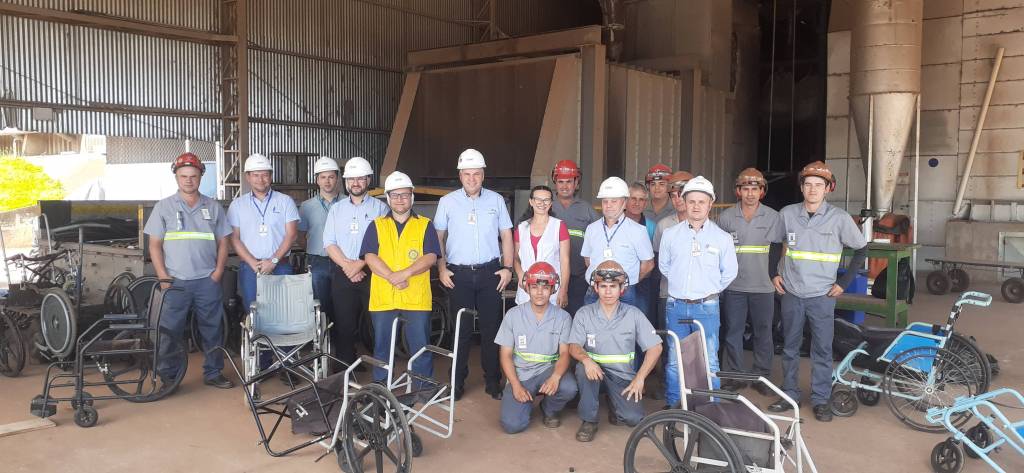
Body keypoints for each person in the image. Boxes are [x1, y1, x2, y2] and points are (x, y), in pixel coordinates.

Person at [768, 161, 867, 422]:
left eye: (818, 185)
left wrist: (844, 283)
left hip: (822, 295)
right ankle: (790, 394)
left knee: (822, 349)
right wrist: (773, 274)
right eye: (808, 184)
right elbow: (775, 244)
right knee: (789, 347)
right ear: (801, 188)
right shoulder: (787, 214)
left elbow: (861, 250)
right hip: (792, 292)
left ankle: (821, 399)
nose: (813, 189)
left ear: (828, 189)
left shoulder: (840, 218)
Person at [144, 152, 233, 389]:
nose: (188, 180)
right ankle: (168, 377)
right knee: (169, 331)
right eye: (183, 176)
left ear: (201, 176)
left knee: (213, 329)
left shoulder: (213, 207)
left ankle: (213, 372)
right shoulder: (164, 207)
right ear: (176, 177)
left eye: (193, 176)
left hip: (207, 280)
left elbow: (224, 242)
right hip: (175, 281)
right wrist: (163, 277)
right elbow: (154, 245)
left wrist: (218, 272)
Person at [435, 148, 515, 400]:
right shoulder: (447, 202)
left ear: (483, 175)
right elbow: (438, 237)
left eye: (476, 174)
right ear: (460, 175)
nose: (472, 178)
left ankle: (493, 381)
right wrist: (441, 268)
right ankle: (456, 383)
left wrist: (508, 268)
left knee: (492, 330)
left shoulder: (496, 201)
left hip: (490, 273)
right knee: (461, 331)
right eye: (467, 174)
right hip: (458, 275)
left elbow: (507, 235)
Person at [658, 176, 737, 406]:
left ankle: (711, 407)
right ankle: (675, 405)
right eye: (691, 201)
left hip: (707, 307)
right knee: (675, 359)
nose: (696, 206)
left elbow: (730, 271)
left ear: (710, 204)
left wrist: (709, 289)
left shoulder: (722, 238)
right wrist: (682, 286)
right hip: (676, 306)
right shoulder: (670, 235)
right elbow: (664, 266)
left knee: (709, 360)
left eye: (701, 202)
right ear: (684, 202)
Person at [360, 172, 441, 385]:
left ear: (412, 197)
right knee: (382, 346)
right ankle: (381, 386)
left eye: (404, 195)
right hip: (384, 297)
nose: (400, 199)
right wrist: (391, 277)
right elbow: (370, 256)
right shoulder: (376, 225)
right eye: (395, 195)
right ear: (388, 198)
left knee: (420, 346)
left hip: (415, 297)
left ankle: (422, 388)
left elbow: (431, 257)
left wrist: (404, 274)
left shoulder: (425, 225)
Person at [569, 260, 663, 442]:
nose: (608, 291)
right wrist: (587, 361)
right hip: (594, 373)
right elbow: (574, 346)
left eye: (613, 286)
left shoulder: (634, 314)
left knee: (633, 418)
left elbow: (655, 347)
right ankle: (589, 420)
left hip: (622, 376)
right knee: (582, 369)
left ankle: (614, 403)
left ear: (622, 288)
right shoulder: (584, 313)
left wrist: (640, 378)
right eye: (603, 286)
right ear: (596, 288)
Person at [716, 168, 784, 395]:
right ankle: (735, 376)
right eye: (746, 189)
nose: (750, 194)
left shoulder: (773, 217)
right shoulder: (726, 218)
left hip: (763, 287)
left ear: (762, 191)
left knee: (763, 332)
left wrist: (775, 274)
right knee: (732, 332)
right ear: (738, 191)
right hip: (733, 287)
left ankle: (761, 376)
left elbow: (779, 247)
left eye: (755, 189)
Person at [495, 262, 577, 434]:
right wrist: (516, 385)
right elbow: (505, 355)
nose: (540, 292)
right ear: (527, 288)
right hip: (521, 374)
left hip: (548, 370)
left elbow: (564, 354)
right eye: (534, 287)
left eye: (545, 287)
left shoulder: (563, 317)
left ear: (553, 289)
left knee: (569, 387)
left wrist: (555, 377)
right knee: (512, 425)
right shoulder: (513, 315)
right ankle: (524, 401)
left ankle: (548, 408)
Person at [323, 157, 389, 366]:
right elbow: (329, 243)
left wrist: (359, 265)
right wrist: (347, 266)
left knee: (376, 323)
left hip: (373, 273)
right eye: (351, 179)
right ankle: (345, 367)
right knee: (344, 324)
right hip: (343, 273)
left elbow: (385, 245)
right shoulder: (337, 209)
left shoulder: (381, 209)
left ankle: (380, 370)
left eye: (360, 178)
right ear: (345, 182)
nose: (356, 183)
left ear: (368, 180)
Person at [227, 153, 299, 312]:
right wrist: (252, 262)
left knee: (284, 311)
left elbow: (292, 235)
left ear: (271, 176)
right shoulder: (237, 205)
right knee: (254, 311)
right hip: (251, 268)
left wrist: (273, 261)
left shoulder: (285, 201)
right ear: (248, 177)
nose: (261, 179)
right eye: (255, 175)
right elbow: (234, 238)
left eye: (265, 175)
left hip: (280, 265)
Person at [580, 177, 654, 307]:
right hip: (595, 290)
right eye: (605, 201)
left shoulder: (638, 231)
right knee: (591, 320)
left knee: (626, 321)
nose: (608, 205)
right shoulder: (591, 229)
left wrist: (628, 282)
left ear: (624, 203)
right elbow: (588, 260)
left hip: (625, 292)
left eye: (614, 201)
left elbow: (648, 264)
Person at [298, 156, 342, 349]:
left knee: (342, 307)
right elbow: (301, 236)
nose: (327, 181)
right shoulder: (307, 206)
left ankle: (341, 350)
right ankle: (321, 348)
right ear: (317, 180)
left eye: (331, 177)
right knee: (318, 307)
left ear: (337, 178)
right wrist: (313, 249)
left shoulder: (347, 203)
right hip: (317, 262)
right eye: (323, 177)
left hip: (343, 263)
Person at [550, 160, 599, 317]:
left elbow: (600, 239)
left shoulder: (587, 209)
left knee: (578, 318)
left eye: (569, 182)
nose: (564, 186)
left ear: (576, 183)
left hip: (579, 278)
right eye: (560, 182)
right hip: (551, 278)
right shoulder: (546, 206)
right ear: (555, 183)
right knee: (553, 320)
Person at [513, 185, 570, 308]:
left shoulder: (559, 226)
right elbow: (516, 257)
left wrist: (563, 290)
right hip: (526, 288)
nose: (542, 203)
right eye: (538, 199)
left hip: (551, 289)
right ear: (531, 201)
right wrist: (520, 274)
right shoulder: (521, 227)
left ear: (551, 203)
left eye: (546, 200)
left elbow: (565, 261)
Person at [652, 171, 694, 320]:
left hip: (698, 298)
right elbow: (658, 260)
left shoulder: (708, 227)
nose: (677, 199)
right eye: (673, 195)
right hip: (668, 294)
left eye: (681, 194)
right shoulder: (663, 226)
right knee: (668, 335)